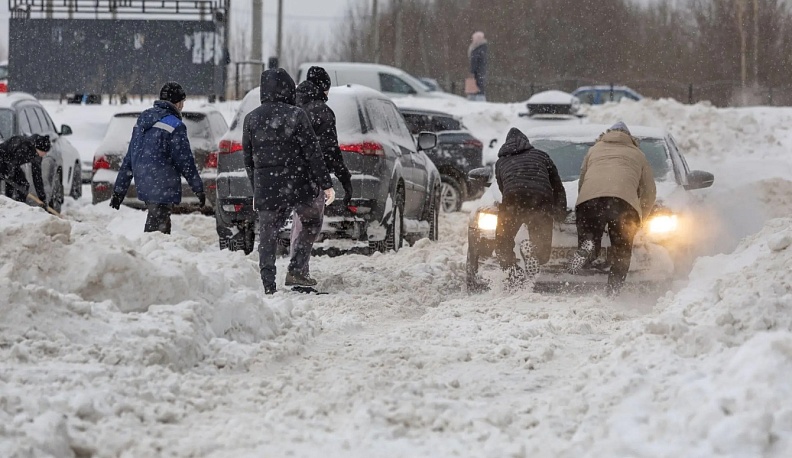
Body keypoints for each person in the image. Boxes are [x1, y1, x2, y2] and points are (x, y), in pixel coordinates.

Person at [243, 68, 334, 295]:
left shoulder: (251, 118)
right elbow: (313, 153)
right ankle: (296, 269)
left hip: (267, 186)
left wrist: (257, 189)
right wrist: (326, 184)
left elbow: (248, 160)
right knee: (311, 221)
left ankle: (267, 282)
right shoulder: (296, 115)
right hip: (298, 184)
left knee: (268, 233)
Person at [567, 122, 656, 295]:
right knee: (621, 252)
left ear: (606, 134)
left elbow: (583, 179)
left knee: (590, 239)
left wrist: (584, 204)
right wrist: (641, 218)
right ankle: (612, 293)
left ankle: (589, 247)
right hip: (624, 204)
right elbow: (649, 191)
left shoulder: (594, 150)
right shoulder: (638, 154)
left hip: (590, 200)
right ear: (630, 138)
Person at [110, 82, 206, 234]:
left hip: (144, 180)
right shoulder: (175, 125)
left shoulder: (142, 121)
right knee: (158, 227)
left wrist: (119, 191)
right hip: (163, 181)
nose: (182, 106)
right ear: (178, 103)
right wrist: (198, 188)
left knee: (157, 219)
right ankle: (151, 255)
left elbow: (129, 158)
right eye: (182, 102)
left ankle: (154, 251)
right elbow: (185, 162)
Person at [292, 66, 354, 284]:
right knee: (311, 223)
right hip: (310, 176)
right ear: (322, 88)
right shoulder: (322, 112)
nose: (328, 95)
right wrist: (344, 179)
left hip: (284, 174)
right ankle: (298, 271)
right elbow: (331, 151)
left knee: (291, 224)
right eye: (327, 89)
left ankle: (276, 274)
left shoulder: (291, 105)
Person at [495, 127, 567, 288]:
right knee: (542, 248)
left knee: (502, 243)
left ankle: (516, 276)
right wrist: (560, 212)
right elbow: (557, 186)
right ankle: (534, 252)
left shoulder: (501, 162)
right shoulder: (541, 155)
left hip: (512, 201)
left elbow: (503, 188)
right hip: (540, 200)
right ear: (526, 142)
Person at [0, 133, 49, 207]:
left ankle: (20, 207)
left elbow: (37, 177)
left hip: (12, 164)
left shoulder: (37, 155)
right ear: (39, 148)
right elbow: (11, 164)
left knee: (24, 185)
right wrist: (8, 176)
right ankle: (7, 207)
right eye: (44, 152)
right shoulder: (23, 145)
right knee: (10, 183)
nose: (45, 154)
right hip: (2, 158)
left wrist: (42, 198)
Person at [467, 31, 489, 102]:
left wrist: (472, 71)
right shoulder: (482, 49)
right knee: (479, 85)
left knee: (477, 85)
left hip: (477, 71)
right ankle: (475, 98)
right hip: (480, 71)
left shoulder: (478, 49)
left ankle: (476, 100)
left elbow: (474, 61)